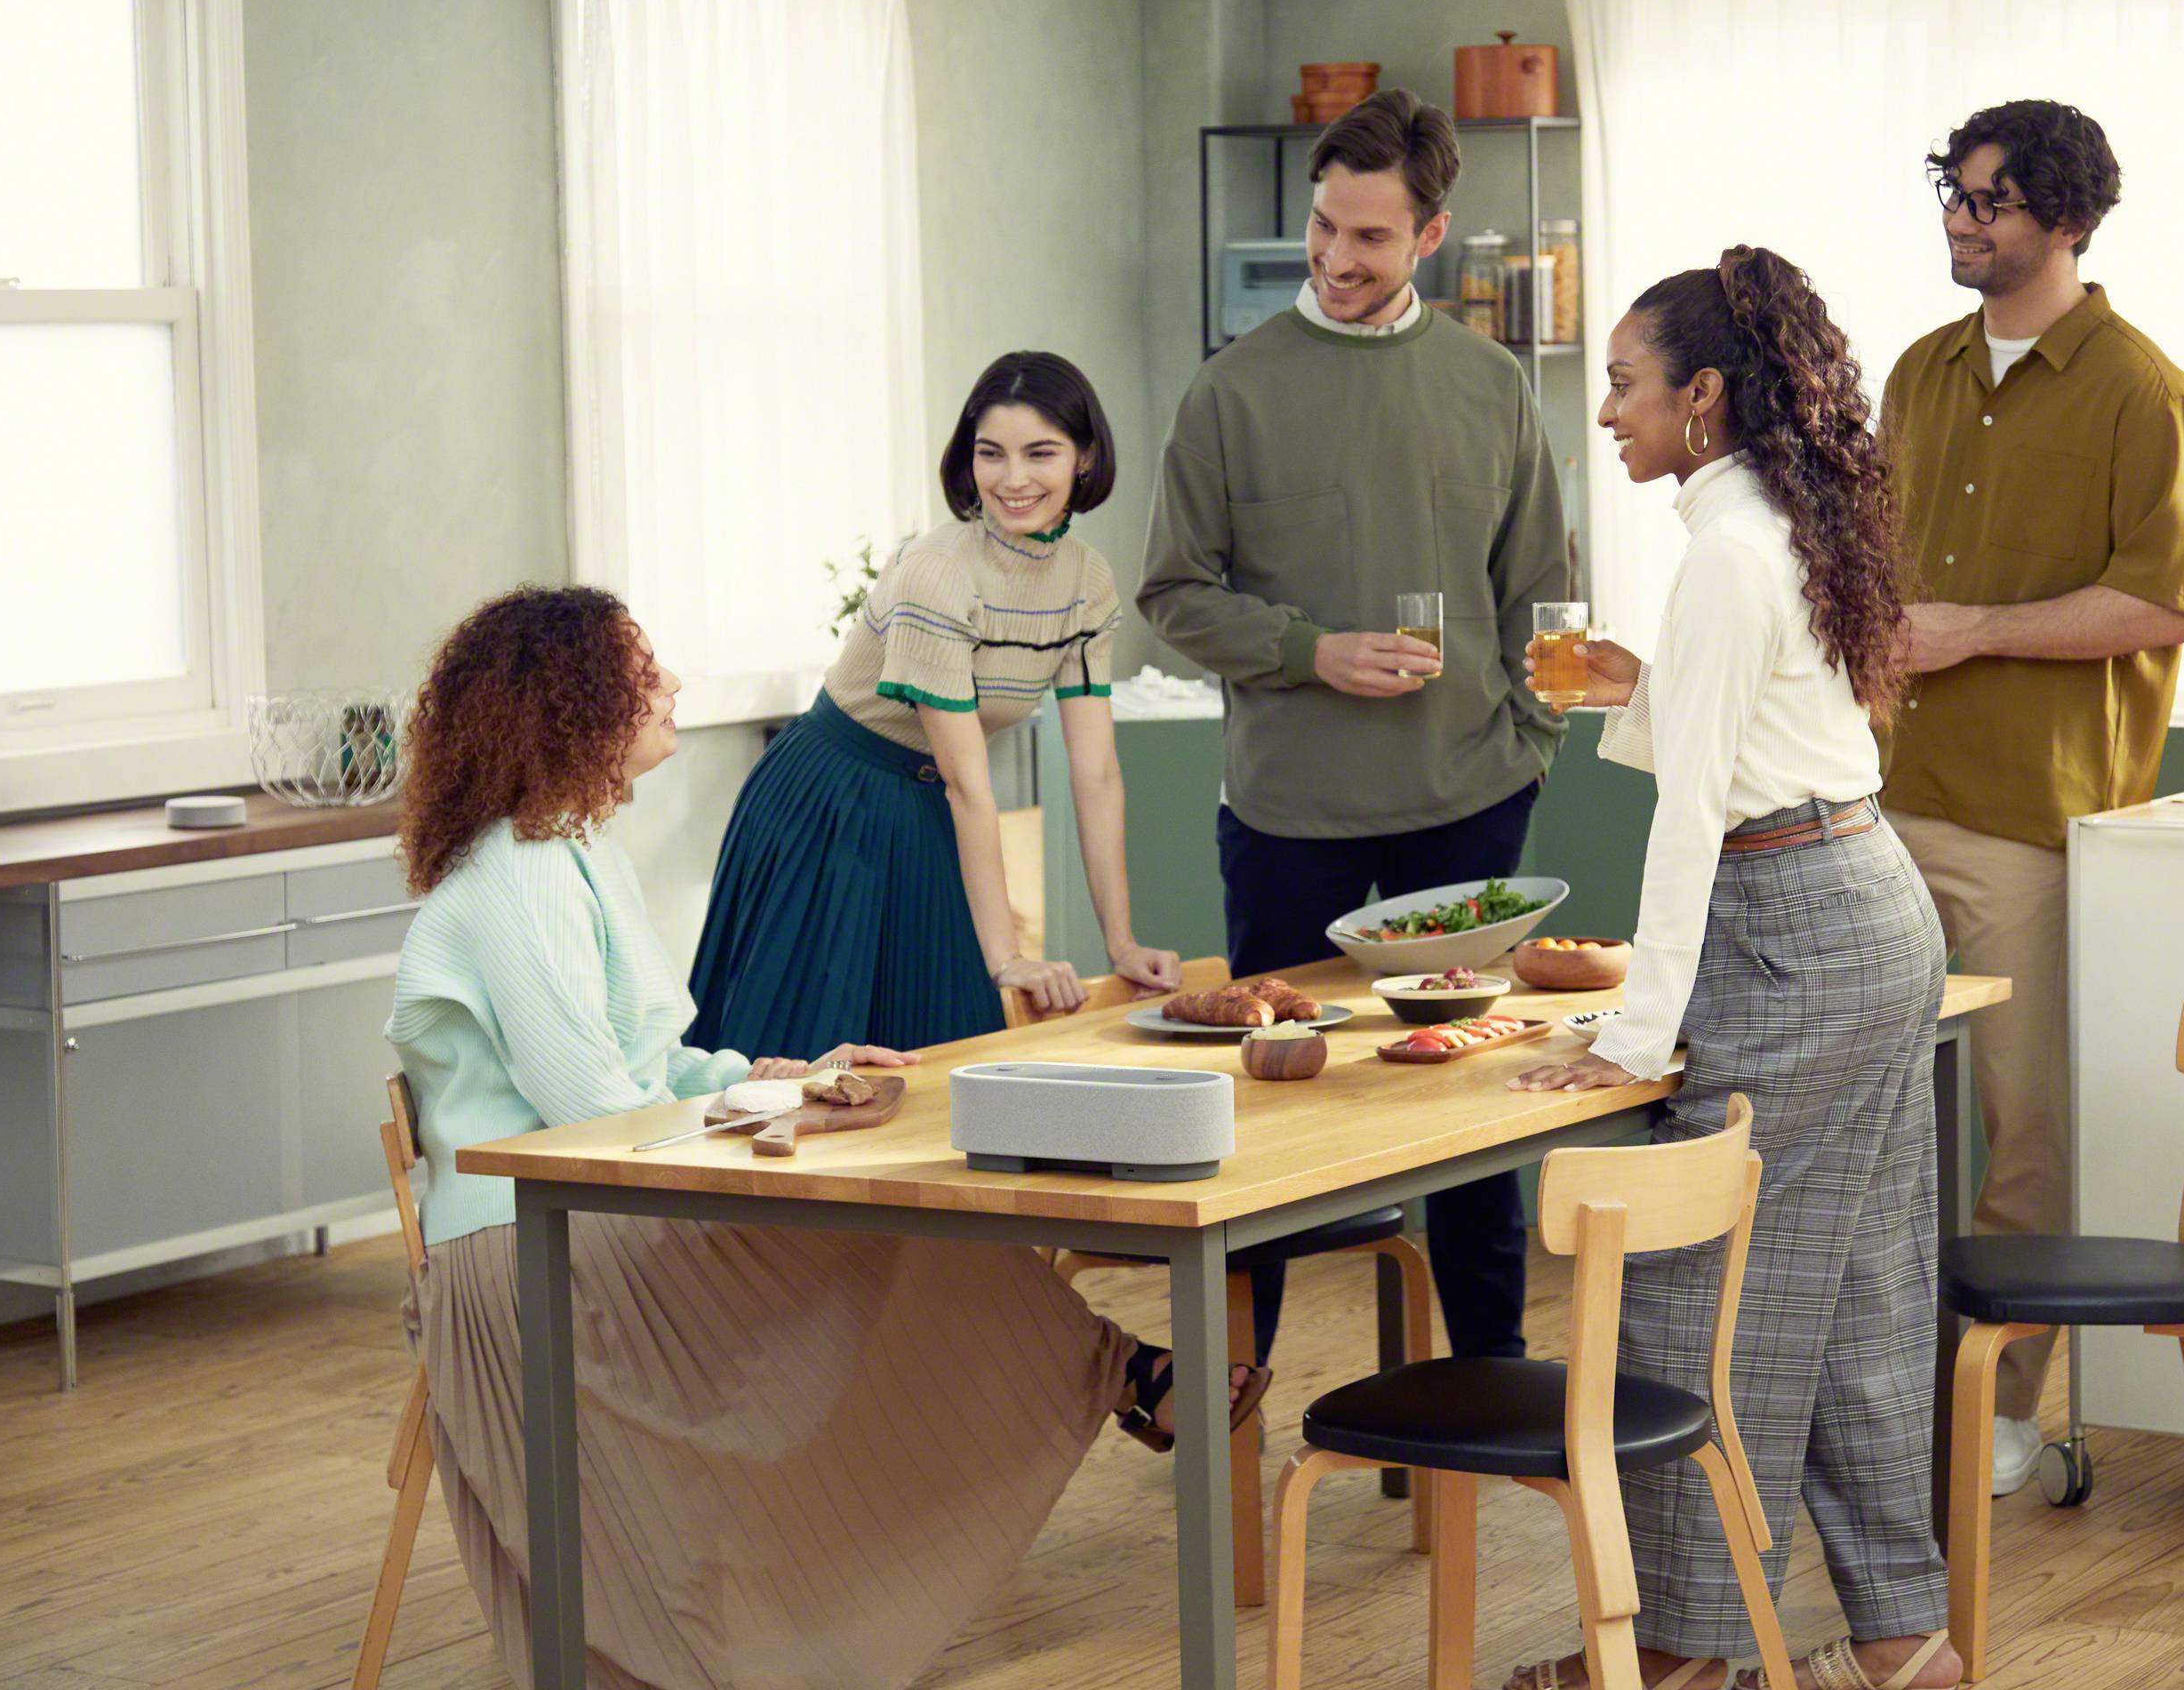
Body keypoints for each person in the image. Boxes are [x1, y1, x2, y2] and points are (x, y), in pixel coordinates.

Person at [386, 586, 1268, 1690]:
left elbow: (648, 1075)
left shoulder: (572, 852)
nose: (668, 687)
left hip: (589, 1210)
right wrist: (766, 1109)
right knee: (884, 1228)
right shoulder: (520, 876)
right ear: (574, 706)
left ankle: (1119, 1371)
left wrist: (792, 1075)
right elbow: (589, 1114)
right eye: (642, 670)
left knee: (903, 1219)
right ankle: (1121, 1371)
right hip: (529, 1253)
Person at [1508, 252, 1961, 1690]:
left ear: (1703, 395)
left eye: (1628, 386)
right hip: (1875, 903)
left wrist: (1636, 1043)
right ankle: (1908, 1638)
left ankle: (1687, 1657)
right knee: (1859, 1301)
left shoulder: (1722, 550)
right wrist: (1644, 689)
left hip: (1796, 931)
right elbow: (1769, 739)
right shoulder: (1783, 521)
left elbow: (1696, 820)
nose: (1610, 414)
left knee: (1691, 1291)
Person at [1140, 87, 1572, 1365]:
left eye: (1370, 239)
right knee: (1270, 1124)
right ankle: (1234, 1402)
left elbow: (1544, 594)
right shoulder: (1231, 393)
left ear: (1430, 237)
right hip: (1289, 818)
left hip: (1469, 803)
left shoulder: (1493, 390)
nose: (1335, 259)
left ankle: (1487, 1402)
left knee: (1475, 1128)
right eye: (1325, 227)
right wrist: (1307, 652)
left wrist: (1529, 746)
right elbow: (1173, 591)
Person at [1881, 100, 2184, 1494]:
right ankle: (1881, 1399)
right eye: (1953, 195)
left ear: (2067, 218)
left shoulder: (2147, 390)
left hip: (2033, 820)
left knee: (2027, 1129)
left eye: (1992, 202)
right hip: (1878, 797)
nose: (1963, 220)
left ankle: (2001, 1410)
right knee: (1874, 1117)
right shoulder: (1915, 371)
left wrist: (1971, 630)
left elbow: (2162, 602)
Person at [689, 352, 1182, 1057]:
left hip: (928, 804)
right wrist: (1008, 956)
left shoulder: (1087, 583)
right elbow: (967, 780)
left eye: (1040, 453)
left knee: (949, 1043)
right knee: (808, 1052)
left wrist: (1122, 943)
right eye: (991, 454)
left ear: (1085, 457)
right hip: (832, 800)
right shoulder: (940, 573)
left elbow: (1096, 773)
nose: (1013, 479)